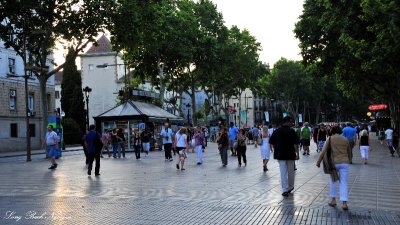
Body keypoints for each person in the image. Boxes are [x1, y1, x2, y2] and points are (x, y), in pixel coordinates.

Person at [316, 126, 351, 210]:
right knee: (344, 182)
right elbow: (349, 152)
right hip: (344, 162)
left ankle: (333, 200)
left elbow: (323, 151)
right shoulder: (345, 139)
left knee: (333, 181)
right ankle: (344, 204)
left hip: (334, 163)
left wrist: (318, 162)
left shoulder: (330, 138)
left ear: (332, 131)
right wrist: (349, 160)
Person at [269, 116, 300, 197]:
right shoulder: (291, 131)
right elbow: (295, 144)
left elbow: (271, 141)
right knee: (291, 172)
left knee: (283, 172)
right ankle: (290, 187)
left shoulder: (277, 131)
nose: (292, 123)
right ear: (287, 121)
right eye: (291, 122)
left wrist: (276, 149)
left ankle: (285, 190)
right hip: (290, 154)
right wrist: (297, 154)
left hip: (280, 155)